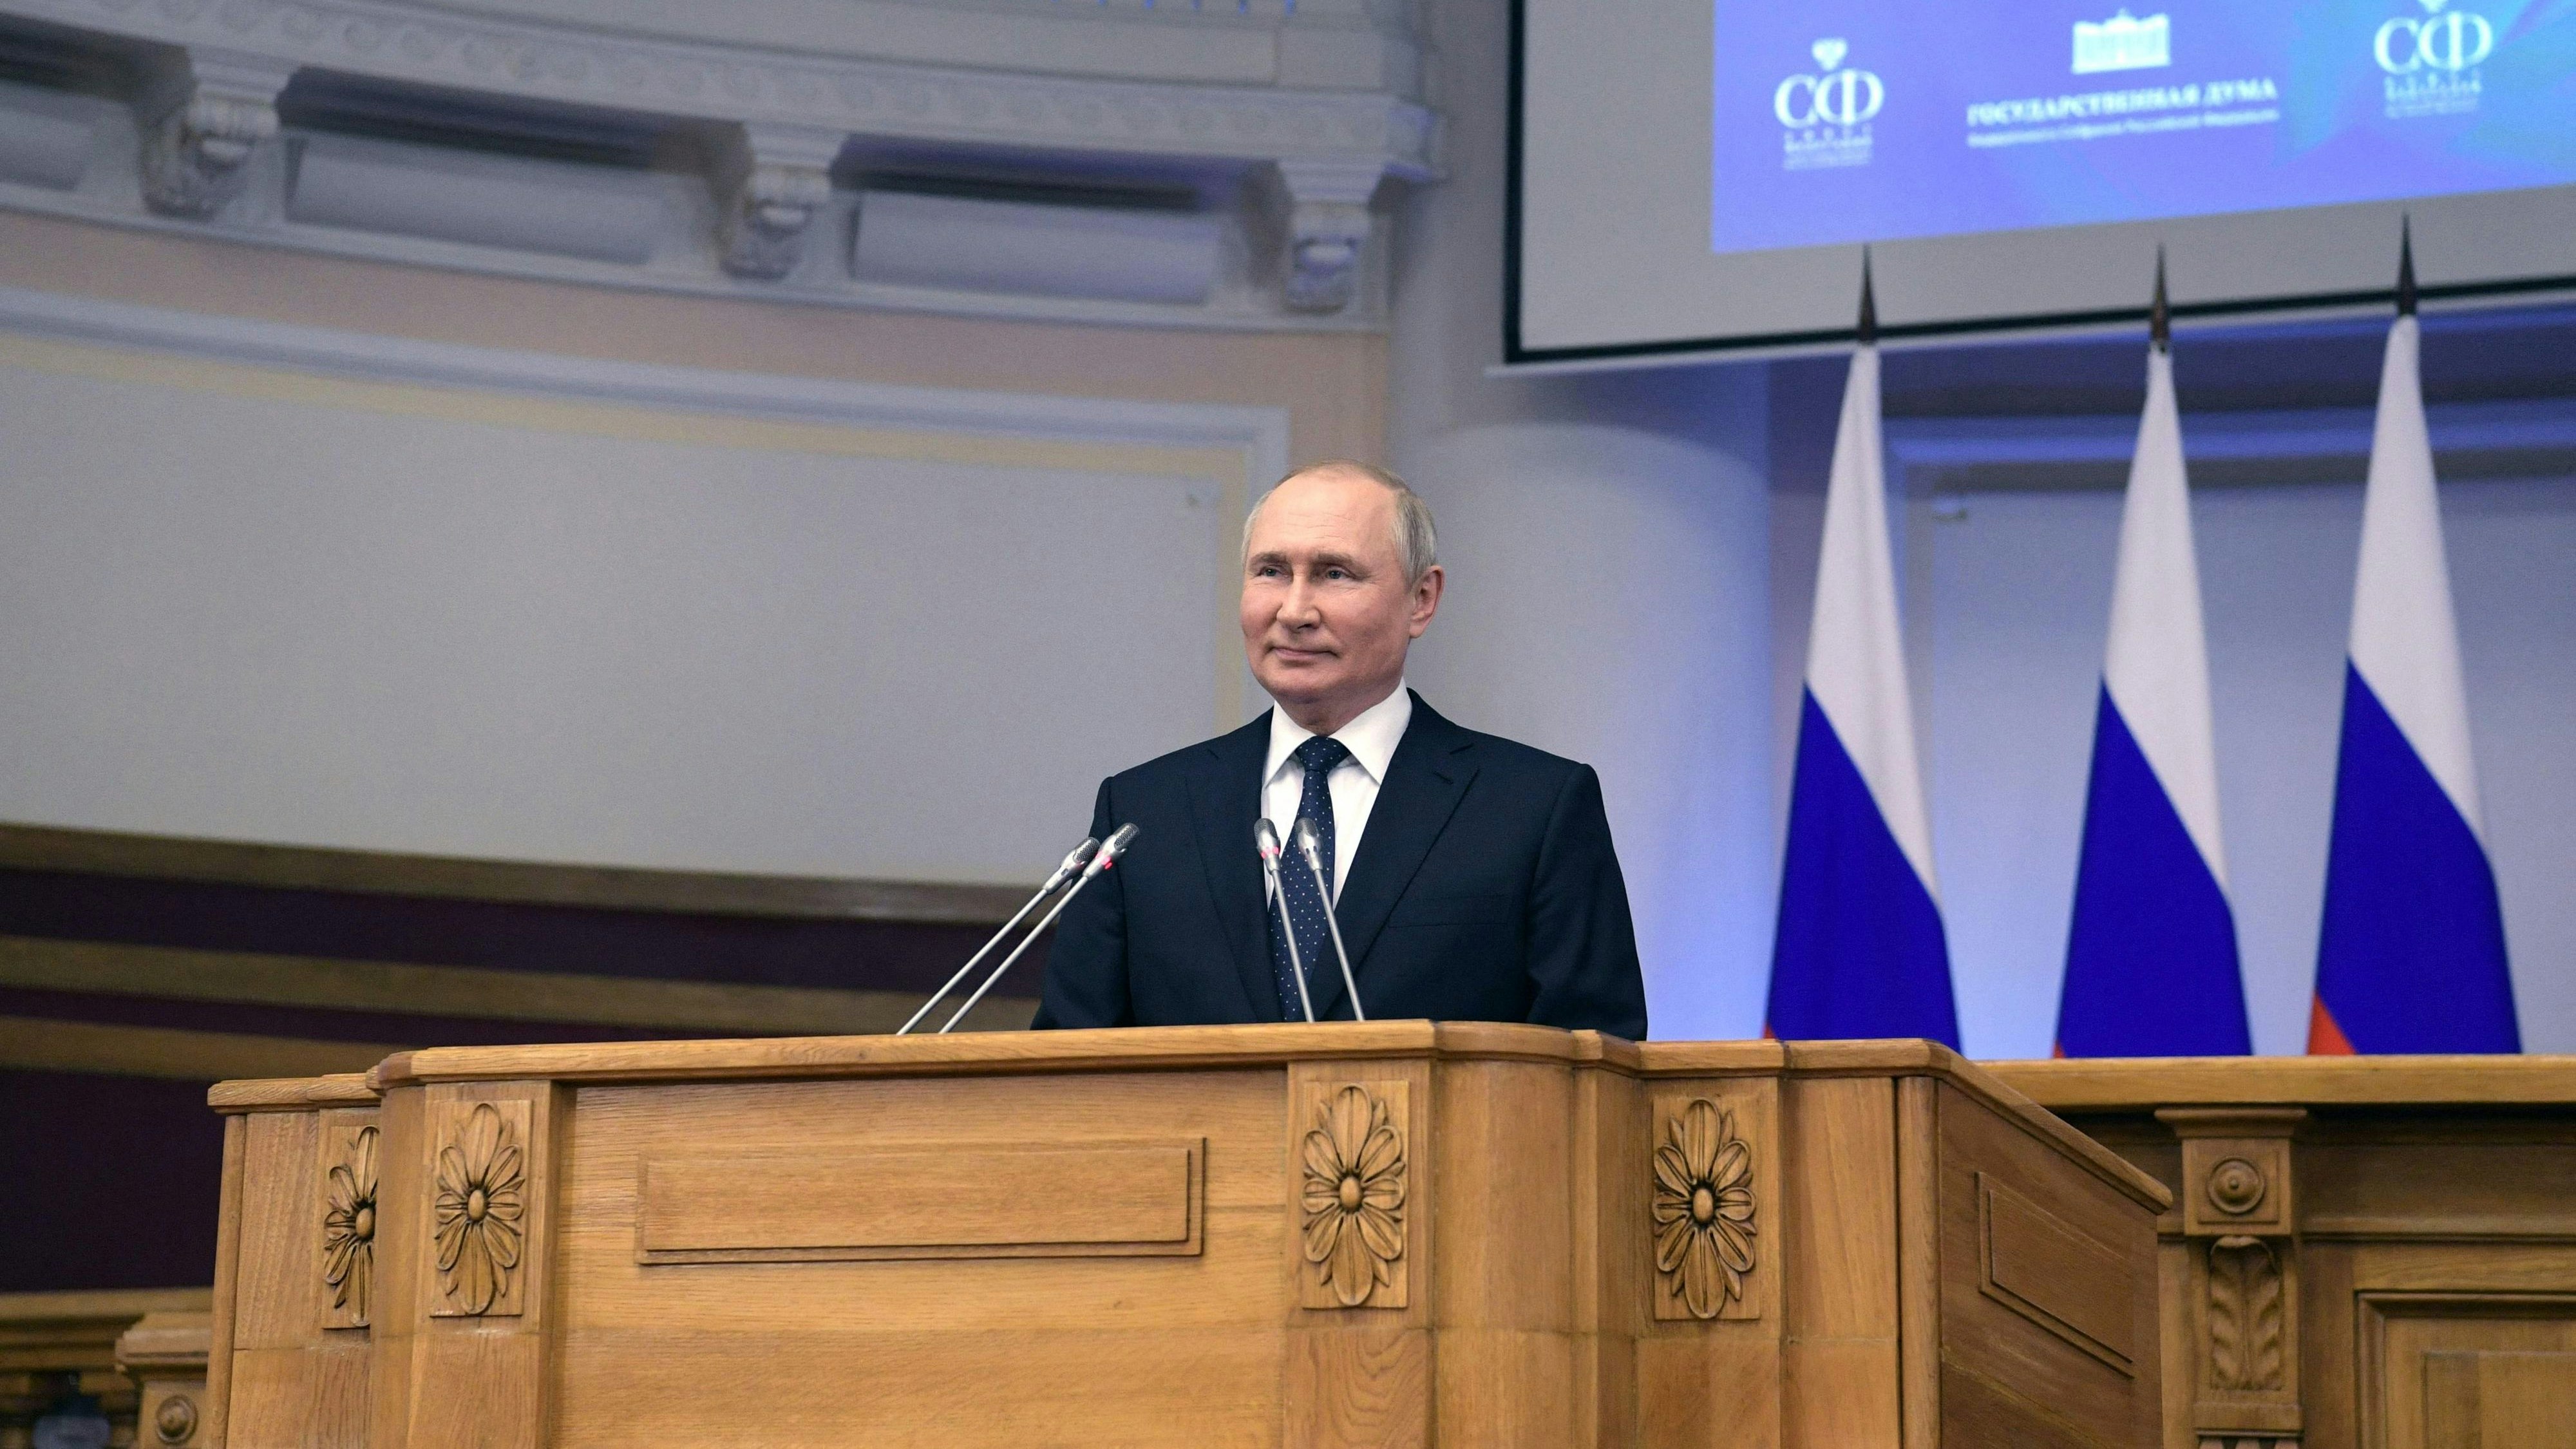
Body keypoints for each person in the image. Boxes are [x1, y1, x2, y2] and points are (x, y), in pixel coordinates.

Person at [1032, 461, 1648, 1039]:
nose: (1294, 611)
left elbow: (1594, 1061)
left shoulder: (1534, 808)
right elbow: (1067, 1061)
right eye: (1271, 571)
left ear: (1421, 600)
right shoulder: (1144, 811)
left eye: (1335, 574)